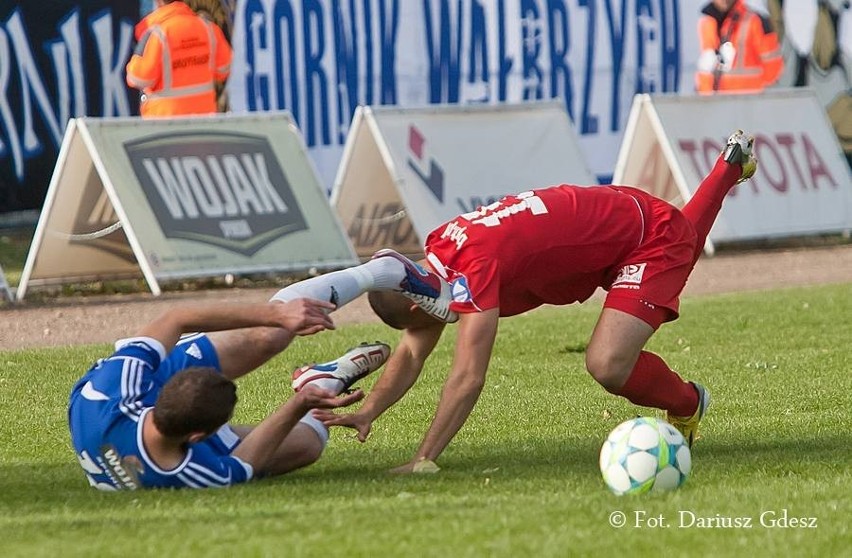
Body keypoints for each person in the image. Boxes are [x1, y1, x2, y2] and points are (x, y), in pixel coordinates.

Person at [313, 130, 759, 473]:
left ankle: (686, 403)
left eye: (418, 323)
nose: (424, 331)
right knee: (675, 235)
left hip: (644, 237)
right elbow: (412, 353)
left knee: (608, 363)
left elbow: (468, 377)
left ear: (416, 306)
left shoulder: (473, 274)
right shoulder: (438, 257)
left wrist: (424, 458)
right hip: (612, 212)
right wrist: (370, 410)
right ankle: (726, 169)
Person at [68, 297, 391, 490]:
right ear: (199, 437)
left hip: (120, 403)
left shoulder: (115, 384)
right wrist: (301, 402)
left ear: (159, 394)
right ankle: (323, 381)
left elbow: (176, 317)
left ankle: (305, 308)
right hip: (163, 429)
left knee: (271, 335)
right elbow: (246, 462)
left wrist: (278, 314)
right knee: (308, 443)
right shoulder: (199, 473)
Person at [126, 0, 232, 117]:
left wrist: (134, 62)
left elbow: (140, 78)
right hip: (204, 116)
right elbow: (224, 69)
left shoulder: (157, 33)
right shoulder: (208, 28)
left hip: (164, 118)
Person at [696, 0, 784, 93]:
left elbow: (773, 70)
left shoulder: (755, 21)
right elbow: (706, 68)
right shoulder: (706, 23)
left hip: (749, 99)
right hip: (715, 99)